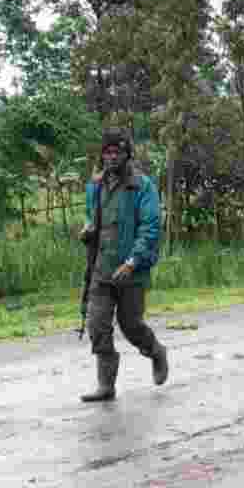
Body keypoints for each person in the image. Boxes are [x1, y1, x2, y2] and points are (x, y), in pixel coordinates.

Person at [79, 129, 167, 402]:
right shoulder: (94, 186)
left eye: (117, 152)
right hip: (102, 269)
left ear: (127, 154)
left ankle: (156, 352)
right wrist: (87, 229)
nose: (111, 157)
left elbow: (151, 227)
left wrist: (133, 261)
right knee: (97, 325)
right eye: (107, 152)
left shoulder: (143, 186)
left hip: (131, 270)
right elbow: (91, 218)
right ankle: (106, 385)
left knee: (130, 326)